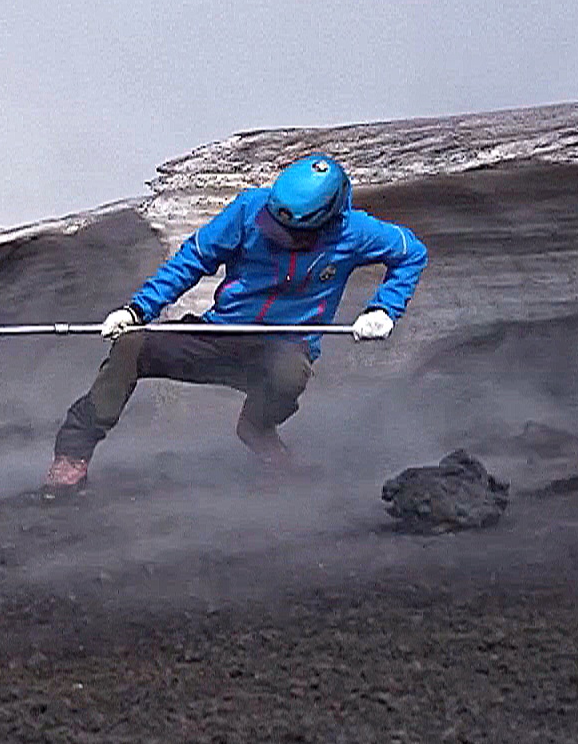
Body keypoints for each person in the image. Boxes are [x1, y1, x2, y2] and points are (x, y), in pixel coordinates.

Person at [40, 153, 427, 498]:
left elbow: (411, 253)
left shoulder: (354, 232)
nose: (277, 235)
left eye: (290, 234)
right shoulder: (249, 211)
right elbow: (193, 259)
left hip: (282, 347)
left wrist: (384, 309)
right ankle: (72, 455)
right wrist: (137, 310)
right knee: (132, 345)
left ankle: (257, 429)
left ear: (325, 221)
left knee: (290, 373)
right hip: (217, 336)